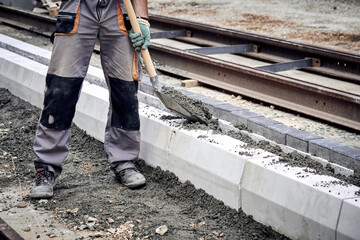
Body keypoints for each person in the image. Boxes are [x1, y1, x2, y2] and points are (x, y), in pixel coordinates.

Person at [30, 0, 150, 199]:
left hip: (119, 8)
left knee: (125, 87)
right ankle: (47, 166)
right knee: (61, 87)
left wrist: (142, 19)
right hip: (78, 5)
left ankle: (124, 161)